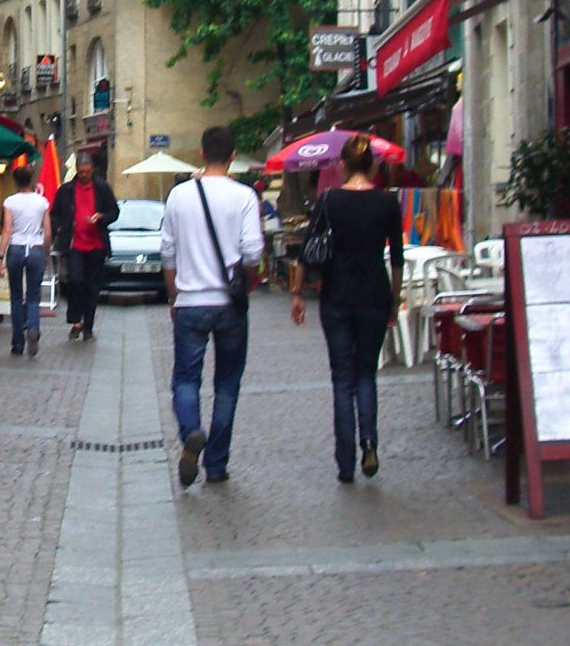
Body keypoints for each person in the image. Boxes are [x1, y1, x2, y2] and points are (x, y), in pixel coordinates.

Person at [289, 134, 405, 482]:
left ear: (341, 165)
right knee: (366, 373)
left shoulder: (329, 201)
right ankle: (369, 442)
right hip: (374, 293)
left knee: (342, 377)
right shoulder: (387, 203)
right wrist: (395, 301)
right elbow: (396, 259)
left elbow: (308, 249)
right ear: (371, 164)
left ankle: (345, 462)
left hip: (337, 294)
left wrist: (297, 292)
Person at [160, 126, 264, 488]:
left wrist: (173, 297)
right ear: (233, 154)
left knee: (185, 379)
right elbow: (253, 252)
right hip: (229, 304)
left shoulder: (178, 196)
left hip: (189, 301)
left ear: (201, 153)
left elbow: (168, 253)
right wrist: (245, 283)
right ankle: (216, 464)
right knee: (227, 384)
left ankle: (191, 430)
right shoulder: (245, 196)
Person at [49, 151, 120, 341]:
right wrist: (61, 227)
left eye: (87, 172)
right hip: (75, 244)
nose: (84, 175)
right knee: (75, 281)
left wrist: (102, 217)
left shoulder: (102, 188)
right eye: (81, 172)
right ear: (77, 171)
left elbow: (114, 211)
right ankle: (75, 320)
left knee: (92, 287)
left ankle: (88, 326)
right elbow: (54, 214)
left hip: (96, 245)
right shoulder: (66, 190)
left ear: (92, 170)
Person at [0, 162, 51, 357]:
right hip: (36, 248)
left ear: (15, 181)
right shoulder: (42, 202)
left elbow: (7, 230)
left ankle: (17, 343)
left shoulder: (10, 202)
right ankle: (33, 328)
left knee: (15, 296)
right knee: (33, 296)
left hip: (16, 248)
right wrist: (46, 254)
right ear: (32, 180)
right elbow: (47, 232)